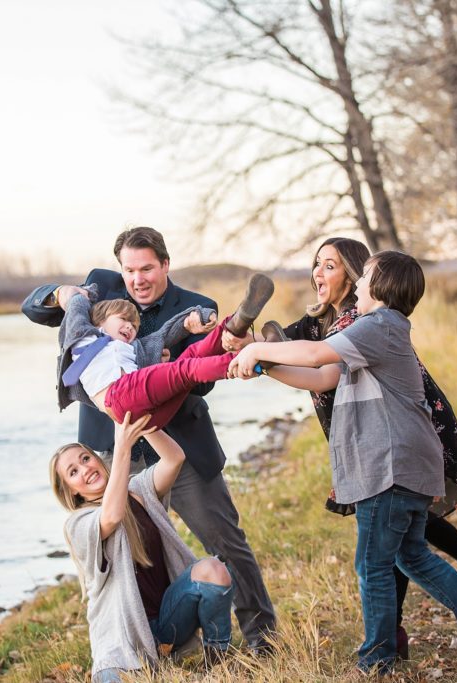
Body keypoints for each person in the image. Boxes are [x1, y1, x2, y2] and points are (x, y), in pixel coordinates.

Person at [230, 250, 457, 674]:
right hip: (399, 465)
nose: (359, 282)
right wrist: (266, 366)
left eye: (365, 276)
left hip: (391, 466)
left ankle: (376, 661)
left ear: (380, 289)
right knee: (411, 556)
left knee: (373, 565)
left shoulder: (379, 326)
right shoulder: (374, 331)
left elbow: (313, 355)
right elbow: (323, 377)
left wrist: (256, 349)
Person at [23, 226, 277, 650]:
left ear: (165, 264)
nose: (138, 279)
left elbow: (201, 386)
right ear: (119, 269)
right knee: (124, 558)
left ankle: (261, 639)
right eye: (130, 270)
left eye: (147, 268)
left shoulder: (197, 307)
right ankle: (146, 645)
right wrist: (61, 295)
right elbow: (34, 308)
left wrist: (168, 365)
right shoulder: (100, 286)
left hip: (180, 446)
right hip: (112, 450)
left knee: (227, 542)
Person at [52, 411, 235, 681]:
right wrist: (123, 447)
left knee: (213, 570)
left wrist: (139, 416)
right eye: (73, 472)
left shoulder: (138, 490)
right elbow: (111, 516)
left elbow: (174, 458)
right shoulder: (78, 524)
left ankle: (218, 664)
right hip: (121, 646)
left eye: (85, 458)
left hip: (167, 621)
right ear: (72, 491)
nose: (86, 468)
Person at [58, 274, 273, 431]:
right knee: (185, 370)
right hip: (119, 400)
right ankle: (252, 358)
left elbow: (165, 333)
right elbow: (76, 312)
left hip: (149, 416)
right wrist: (80, 296)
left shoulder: (133, 348)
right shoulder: (85, 338)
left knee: (190, 356)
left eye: (134, 325)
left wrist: (194, 317)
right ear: (100, 320)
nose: (130, 327)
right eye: (123, 319)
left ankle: (234, 325)